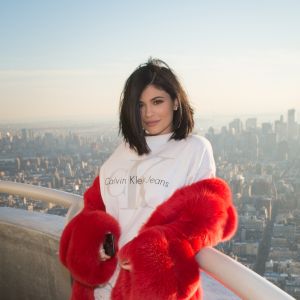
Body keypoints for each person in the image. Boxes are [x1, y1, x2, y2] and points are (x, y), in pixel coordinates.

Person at [59, 58, 238, 300]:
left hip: (156, 289)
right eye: (140, 105)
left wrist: (154, 251)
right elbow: (95, 209)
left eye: (157, 101)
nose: (148, 113)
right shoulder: (120, 154)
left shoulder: (194, 149)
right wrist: (94, 242)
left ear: (175, 101)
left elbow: (213, 218)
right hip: (104, 289)